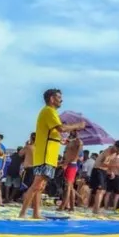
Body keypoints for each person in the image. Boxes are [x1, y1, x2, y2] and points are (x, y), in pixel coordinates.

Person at [19, 89, 84, 219]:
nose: (61, 100)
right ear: (51, 98)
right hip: (45, 155)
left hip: (48, 154)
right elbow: (61, 128)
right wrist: (77, 125)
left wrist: (62, 140)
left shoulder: (49, 112)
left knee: (40, 186)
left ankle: (35, 213)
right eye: (59, 97)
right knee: (37, 185)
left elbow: (54, 133)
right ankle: (23, 213)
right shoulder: (49, 111)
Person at [90, 141, 119, 214]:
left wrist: (111, 171)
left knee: (102, 191)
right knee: (100, 191)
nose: (118, 149)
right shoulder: (108, 151)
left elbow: (109, 163)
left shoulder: (115, 153)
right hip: (98, 170)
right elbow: (104, 163)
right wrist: (113, 169)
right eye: (117, 147)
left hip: (103, 171)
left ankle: (95, 208)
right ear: (114, 146)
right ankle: (96, 209)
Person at [58, 130, 82, 211]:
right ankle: (71, 207)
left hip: (71, 165)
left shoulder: (78, 142)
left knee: (68, 186)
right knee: (70, 187)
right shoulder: (70, 142)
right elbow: (67, 152)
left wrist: (66, 163)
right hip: (68, 163)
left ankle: (63, 206)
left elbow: (76, 155)